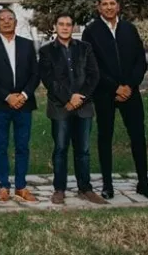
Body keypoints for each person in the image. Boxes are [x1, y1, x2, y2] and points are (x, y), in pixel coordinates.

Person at [82, 0, 148, 200]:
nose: (108, 7)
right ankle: (107, 185)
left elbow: (140, 61)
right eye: (104, 4)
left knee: (137, 137)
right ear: (98, 7)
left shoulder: (129, 28)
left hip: (131, 92)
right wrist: (115, 87)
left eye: (112, 3)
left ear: (118, 6)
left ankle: (143, 183)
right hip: (105, 93)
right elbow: (92, 65)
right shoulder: (91, 31)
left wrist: (129, 85)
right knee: (105, 137)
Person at [38, 13, 106, 206]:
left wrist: (79, 97)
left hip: (83, 107)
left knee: (83, 150)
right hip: (60, 107)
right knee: (60, 149)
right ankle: (59, 189)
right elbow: (49, 80)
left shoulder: (85, 48)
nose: (65, 27)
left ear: (73, 28)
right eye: (61, 24)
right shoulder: (46, 51)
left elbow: (94, 75)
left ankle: (85, 188)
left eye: (69, 24)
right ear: (55, 26)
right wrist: (68, 97)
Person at [0, 8, 40, 202]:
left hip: (24, 103)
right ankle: (4, 185)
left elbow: (35, 74)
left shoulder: (27, 45)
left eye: (10, 19)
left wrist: (23, 95)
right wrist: (7, 96)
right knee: (1, 145)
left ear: (15, 22)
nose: (6, 22)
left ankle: (21, 186)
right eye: (2, 19)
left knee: (22, 146)